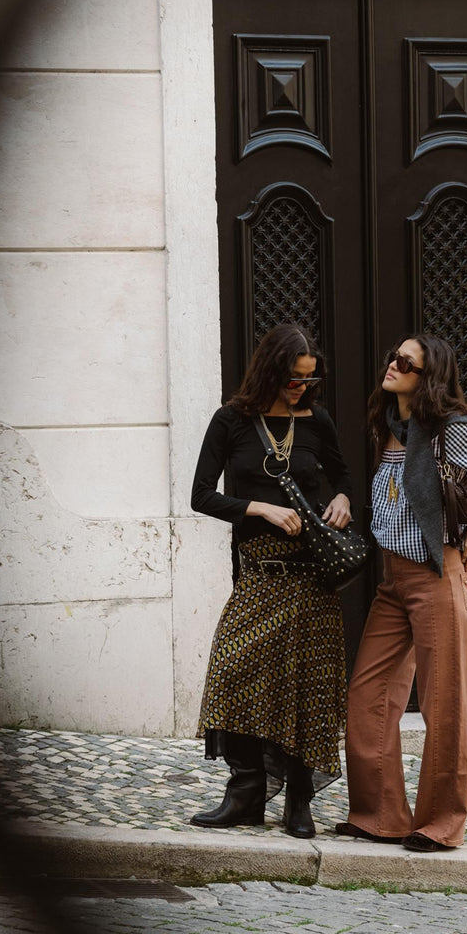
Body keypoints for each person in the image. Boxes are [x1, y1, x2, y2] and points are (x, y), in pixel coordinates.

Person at [336, 335, 467, 852]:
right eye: (393, 356)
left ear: (428, 378)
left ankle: (441, 824)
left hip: (435, 576)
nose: (393, 365)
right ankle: (380, 815)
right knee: (369, 694)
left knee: (443, 702)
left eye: (406, 362)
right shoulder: (388, 425)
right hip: (392, 581)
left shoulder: (452, 429)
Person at [190, 323, 354, 839]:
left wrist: (343, 498)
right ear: (270, 371)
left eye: (308, 379)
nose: (300, 388)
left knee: (307, 686)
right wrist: (259, 508)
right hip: (260, 574)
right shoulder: (231, 420)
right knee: (232, 671)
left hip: (311, 578)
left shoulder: (317, 421)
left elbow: (344, 475)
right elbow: (201, 495)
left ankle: (299, 800)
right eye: (292, 379)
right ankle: (246, 793)